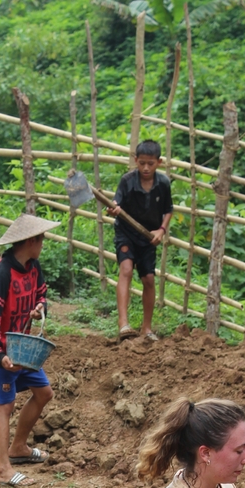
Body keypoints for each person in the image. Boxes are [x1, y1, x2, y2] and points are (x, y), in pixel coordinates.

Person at [0, 214, 58, 488]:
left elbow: (41, 294)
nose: (43, 244)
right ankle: (3, 470)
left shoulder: (33, 267)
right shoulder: (1, 274)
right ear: (30, 241)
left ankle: (19, 447)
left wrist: (40, 309)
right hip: (0, 352)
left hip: (23, 348)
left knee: (44, 392)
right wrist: (0, 355)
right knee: (5, 405)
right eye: (41, 239)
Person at [109, 139, 173, 342]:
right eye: (142, 163)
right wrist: (114, 210)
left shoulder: (163, 184)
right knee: (126, 269)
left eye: (151, 164)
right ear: (135, 160)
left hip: (148, 237)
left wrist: (161, 231)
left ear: (159, 162)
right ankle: (123, 324)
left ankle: (146, 328)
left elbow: (168, 210)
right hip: (126, 233)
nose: (146, 168)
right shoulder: (127, 181)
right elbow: (114, 205)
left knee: (149, 279)